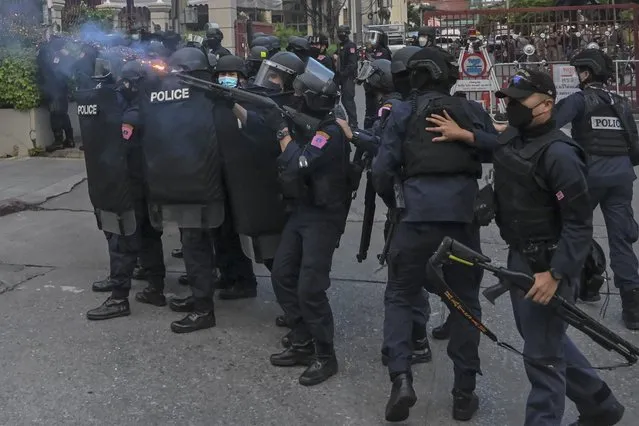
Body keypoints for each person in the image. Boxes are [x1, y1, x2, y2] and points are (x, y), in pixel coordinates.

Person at [488, 68, 625, 426]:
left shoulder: (561, 155)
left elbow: (579, 224)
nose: (512, 108)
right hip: (521, 255)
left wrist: (556, 273)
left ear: (547, 105)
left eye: (520, 102)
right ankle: (601, 404)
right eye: (508, 101)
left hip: (550, 263)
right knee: (541, 339)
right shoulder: (516, 138)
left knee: (542, 356)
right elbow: (493, 145)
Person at [373, 47, 496, 423]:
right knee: (465, 304)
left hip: (415, 221)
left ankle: (402, 378)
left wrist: (396, 203)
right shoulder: (471, 112)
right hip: (461, 223)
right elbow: (502, 149)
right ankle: (463, 394)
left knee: (399, 295)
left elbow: (381, 170)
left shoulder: (404, 113)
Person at [243, 59, 348, 386]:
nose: (297, 98)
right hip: (302, 211)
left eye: (303, 95)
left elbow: (299, 163)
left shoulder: (329, 132)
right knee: (284, 274)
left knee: (310, 288)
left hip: (322, 217)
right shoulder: (315, 123)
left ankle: (325, 356)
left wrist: (281, 130)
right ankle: (302, 341)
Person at [140, 47, 226, 333]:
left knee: (195, 248)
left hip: (193, 187)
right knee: (196, 247)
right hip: (196, 185)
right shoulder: (208, 97)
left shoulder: (194, 97)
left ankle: (203, 309)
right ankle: (200, 298)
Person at [554, 48, 639, 329]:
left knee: (572, 228)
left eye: (579, 70)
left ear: (586, 73)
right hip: (621, 177)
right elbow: (635, 148)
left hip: (589, 176)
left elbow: (550, 124)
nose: (577, 76)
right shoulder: (623, 103)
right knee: (622, 240)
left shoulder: (580, 100)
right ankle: (632, 306)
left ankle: (584, 283)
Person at [84, 57, 167, 320]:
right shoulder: (158, 104)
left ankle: (119, 298)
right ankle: (155, 289)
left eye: (126, 82)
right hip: (151, 182)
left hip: (132, 182)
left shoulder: (133, 113)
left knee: (123, 238)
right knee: (150, 237)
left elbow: (122, 145)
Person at [36, 34, 75, 152]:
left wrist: (41, 49)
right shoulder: (64, 55)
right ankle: (69, 139)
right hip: (62, 89)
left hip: (54, 90)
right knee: (63, 114)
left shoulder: (51, 55)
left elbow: (43, 67)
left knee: (55, 115)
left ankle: (58, 141)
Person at [335, 25, 359, 128]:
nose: (340, 35)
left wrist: (343, 73)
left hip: (348, 77)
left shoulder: (351, 46)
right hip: (341, 77)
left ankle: (353, 123)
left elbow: (353, 64)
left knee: (348, 100)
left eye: (342, 33)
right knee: (339, 100)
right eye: (339, 33)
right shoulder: (340, 46)